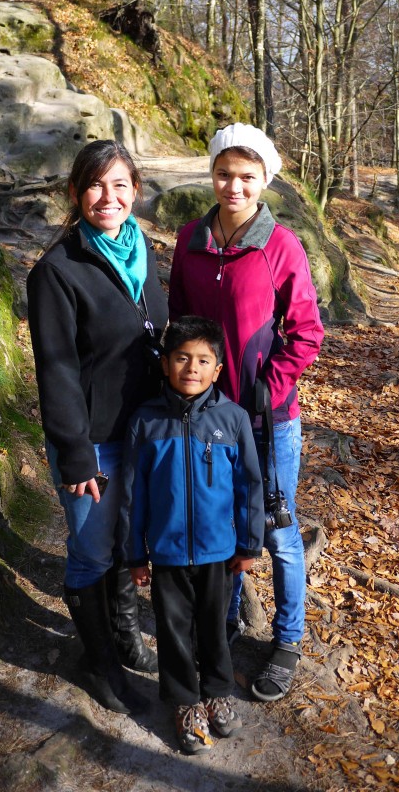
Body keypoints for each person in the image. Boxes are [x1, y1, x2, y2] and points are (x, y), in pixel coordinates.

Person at [168, 122, 325, 704]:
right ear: (212, 175)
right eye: (224, 174)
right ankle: (227, 623)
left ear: (264, 181)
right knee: (222, 524)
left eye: (246, 177)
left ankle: (287, 641)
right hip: (209, 418)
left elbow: (306, 332)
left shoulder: (280, 246)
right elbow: (180, 321)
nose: (233, 186)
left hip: (268, 419)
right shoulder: (190, 241)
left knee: (278, 533)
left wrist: (268, 387)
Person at [27, 139, 167, 714]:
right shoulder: (57, 272)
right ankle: (99, 663)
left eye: (119, 186)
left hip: (145, 434)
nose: (107, 198)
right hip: (93, 445)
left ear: (135, 191)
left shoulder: (144, 252)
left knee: (127, 543)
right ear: (75, 193)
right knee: (91, 552)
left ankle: (125, 637)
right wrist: (76, 454)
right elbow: (55, 371)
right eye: (95, 186)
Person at [122, 316, 264, 754]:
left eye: (203, 360)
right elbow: (132, 494)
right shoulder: (145, 422)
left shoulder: (233, 419)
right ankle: (185, 703)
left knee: (215, 627)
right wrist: (135, 554)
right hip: (165, 554)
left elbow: (250, 486)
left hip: (218, 553)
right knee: (173, 629)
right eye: (182, 358)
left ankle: (217, 691)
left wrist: (249, 544)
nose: (192, 368)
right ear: (165, 364)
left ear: (218, 369)